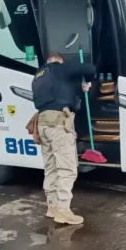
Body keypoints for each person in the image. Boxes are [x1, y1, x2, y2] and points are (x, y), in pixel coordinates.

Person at [31, 52, 96, 225]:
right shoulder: (59, 68)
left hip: (42, 124)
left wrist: (77, 89)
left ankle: (52, 207)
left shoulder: (38, 76)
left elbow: (59, 95)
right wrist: (87, 81)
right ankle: (63, 210)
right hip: (58, 124)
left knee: (51, 167)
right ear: (60, 61)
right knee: (67, 168)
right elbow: (90, 68)